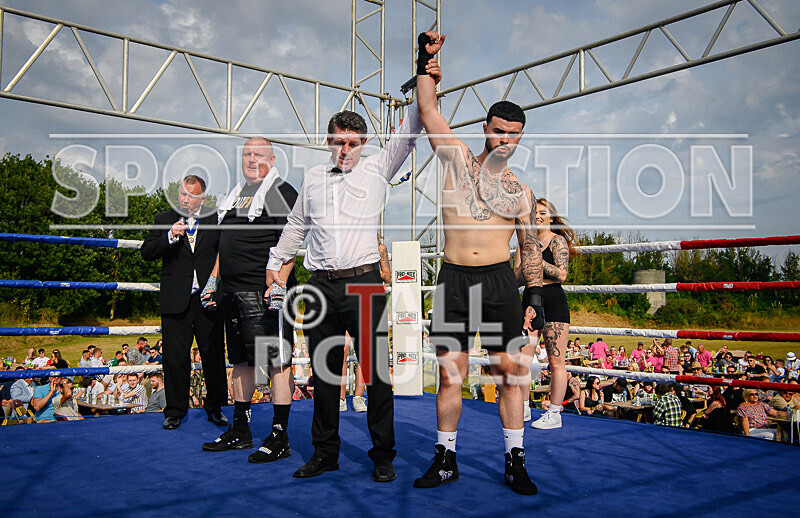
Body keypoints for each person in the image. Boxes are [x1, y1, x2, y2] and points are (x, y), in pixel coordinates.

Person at [265, 44, 437, 480]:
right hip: (320, 284)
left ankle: (383, 456)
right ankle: (325, 453)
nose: (345, 149)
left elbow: (415, 123)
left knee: (378, 375)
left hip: (364, 283)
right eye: (339, 141)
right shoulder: (313, 177)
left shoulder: (380, 167)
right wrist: (276, 262)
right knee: (325, 376)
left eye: (353, 142)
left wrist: (423, 72)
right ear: (329, 141)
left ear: (363, 144)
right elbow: (296, 226)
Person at [400, 33, 542, 495]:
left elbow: (530, 249)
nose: (505, 139)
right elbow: (427, 109)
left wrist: (534, 298)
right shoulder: (457, 160)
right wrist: (426, 59)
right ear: (487, 128)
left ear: (520, 138)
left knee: (508, 377)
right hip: (454, 279)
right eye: (499, 130)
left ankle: (515, 460)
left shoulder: (521, 192)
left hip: (500, 283)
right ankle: (445, 459)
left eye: (513, 134)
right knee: (450, 374)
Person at [201, 138, 299, 466]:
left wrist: (281, 284)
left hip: (264, 292)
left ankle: (279, 435)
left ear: (272, 159)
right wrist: (213, 281)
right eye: (246, 154)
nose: (251, 159)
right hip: (232, 291)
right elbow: (224, 243)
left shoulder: (282, 192)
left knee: (277, 363)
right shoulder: (236, 194)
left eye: (258, 154)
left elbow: (292, 243)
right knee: (240, 362)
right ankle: (240, 429)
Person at [141, 174, 229, 430]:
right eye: (182, 194)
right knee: (174, 358)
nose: (184, 199)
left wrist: (217, 288)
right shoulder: (163, 219)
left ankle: (215, 408)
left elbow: (226, 253)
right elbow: (146, 252)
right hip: (175, 299)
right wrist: (169, 236)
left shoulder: (215, 219)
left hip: (208, 299)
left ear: (202, 198)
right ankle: (175, 411)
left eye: (191, 195)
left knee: (212, 356)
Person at [518, 199, 576, 431]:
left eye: (543, 212)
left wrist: (535, 260)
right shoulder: (526, 243)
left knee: (556, 362)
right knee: (522, 360)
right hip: (529, 299)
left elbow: (562, 275)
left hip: (552, 299)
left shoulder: (557, 240)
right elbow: (517, 278)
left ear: (551, 217)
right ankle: (522, 407)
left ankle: (554, 413)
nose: (538, 216)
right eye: (535, 212)